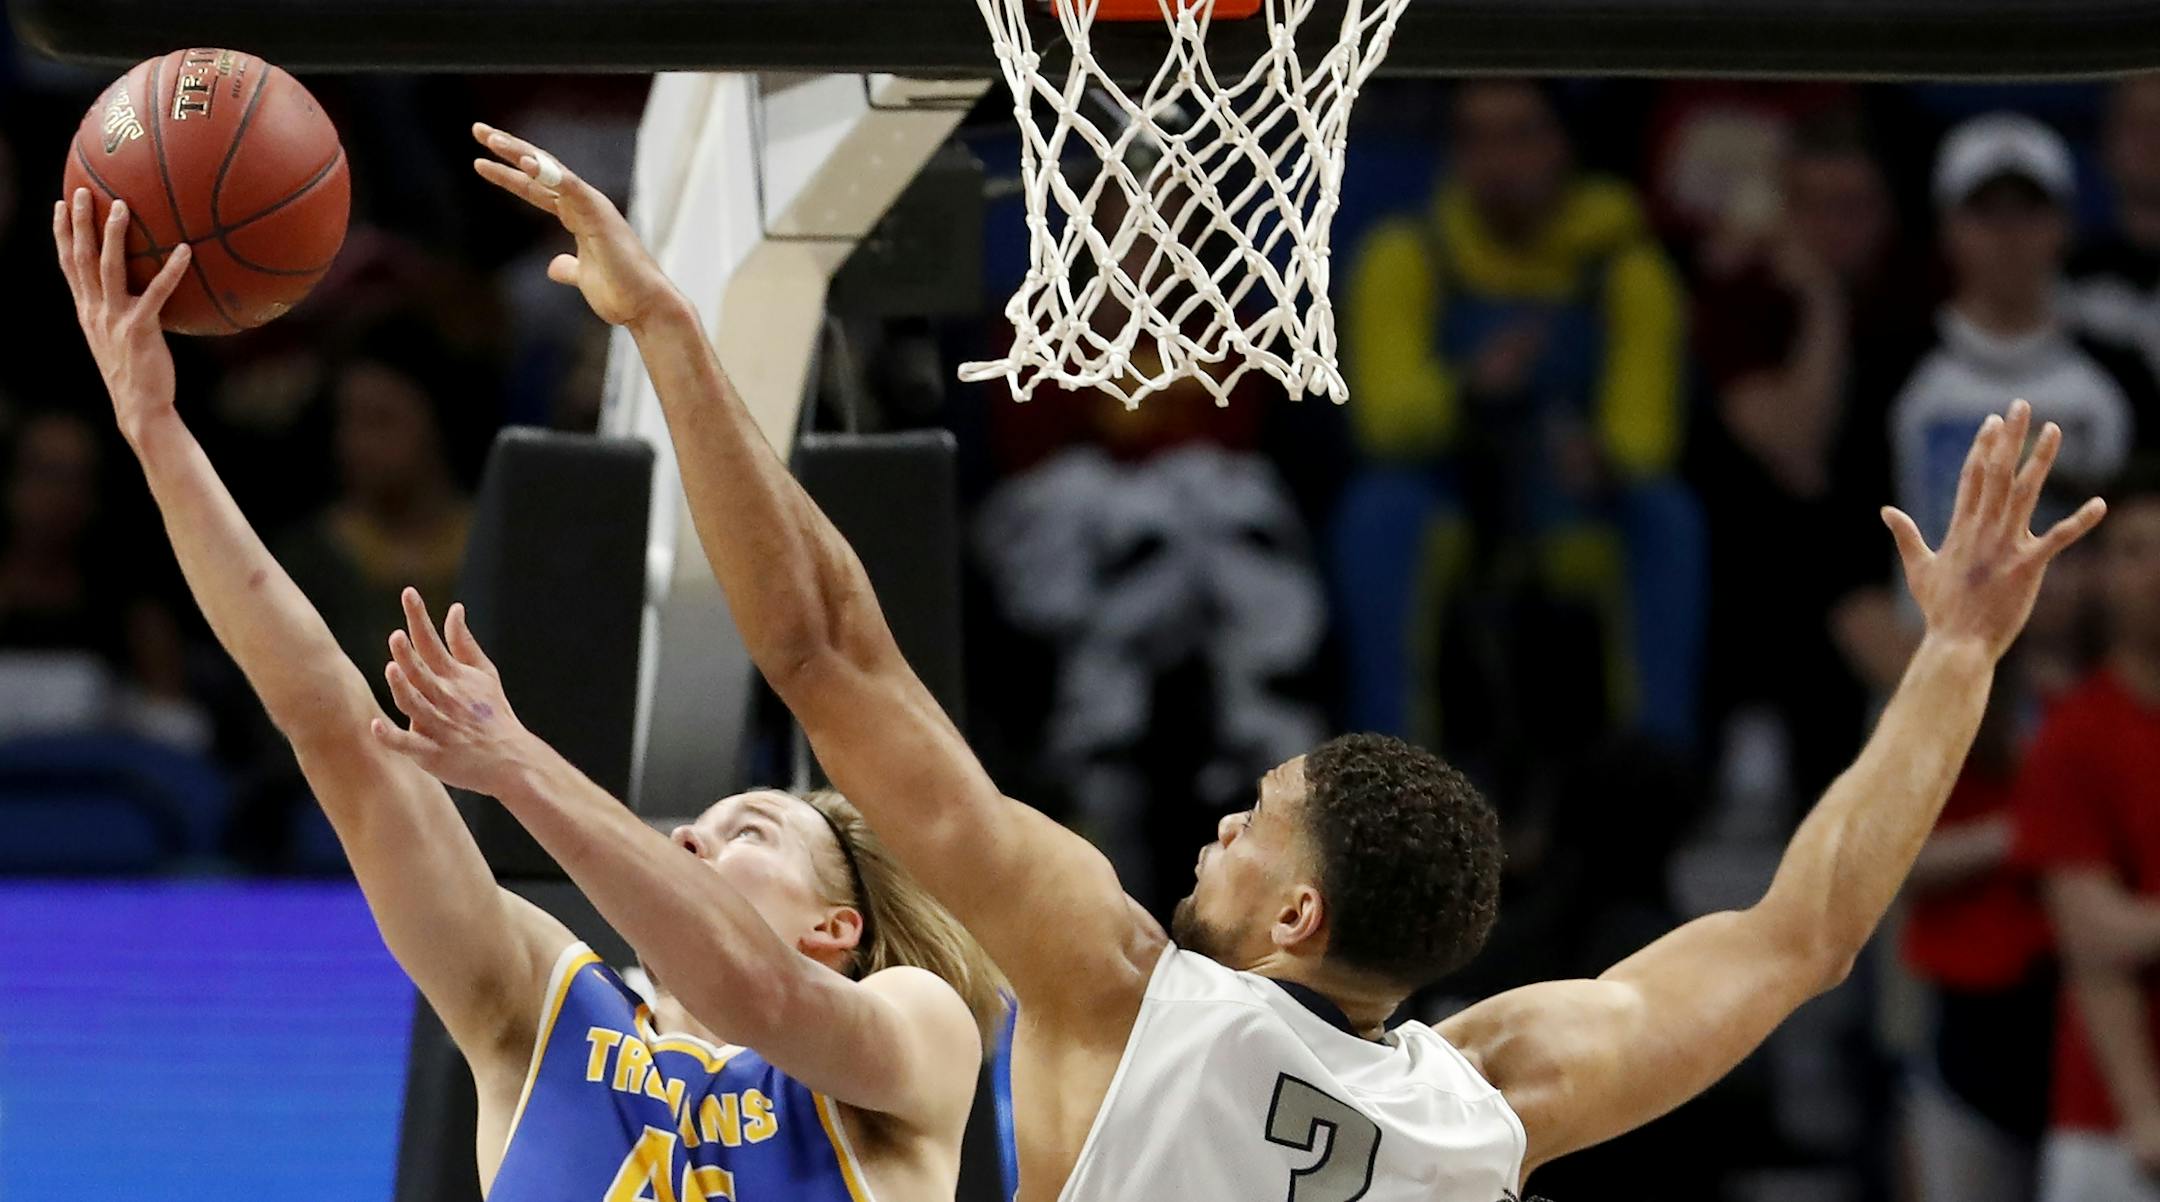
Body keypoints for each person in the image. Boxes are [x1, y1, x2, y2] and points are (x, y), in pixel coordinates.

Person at [479, 123, 2106, 1200]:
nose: (1219, 827)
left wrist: (675, 334)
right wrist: (1962, 653)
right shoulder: (1487, 1099)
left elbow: (825, 650)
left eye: (1254, 822)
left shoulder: (1122, 988)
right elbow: (1803, 932)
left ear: (1298, 914)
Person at [52, 186, 997, 1202]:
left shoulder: (918, 1031)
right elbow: (334, 728)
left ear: (835, 929)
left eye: (750, 831)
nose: (690, 834)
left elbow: (757, 993)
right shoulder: (544, 1010)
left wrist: (518, 763)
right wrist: (155, 431)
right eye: (707, 824)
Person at [1334, 78, 1702, 758]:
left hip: (1570, 492)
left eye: (1519, 135)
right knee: (1378, 513)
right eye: (1475, 139)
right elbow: (1384, 421)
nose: (1497, 161)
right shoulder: (1407, 253)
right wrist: (1468, 393)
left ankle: (1653, 763)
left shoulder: (1624, 264)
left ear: (1564, 146)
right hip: (1451, 483)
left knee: (1664, 514)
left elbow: (1647, 425)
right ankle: (1388, 763)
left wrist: (1606, 458)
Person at [2017, 461, 2160, 1202]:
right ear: (2102, 575)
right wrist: (2143, 1111)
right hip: (2113, 1124)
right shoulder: (2075, 737)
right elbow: (2095, 937)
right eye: (2136, 550)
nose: (2157, 572)